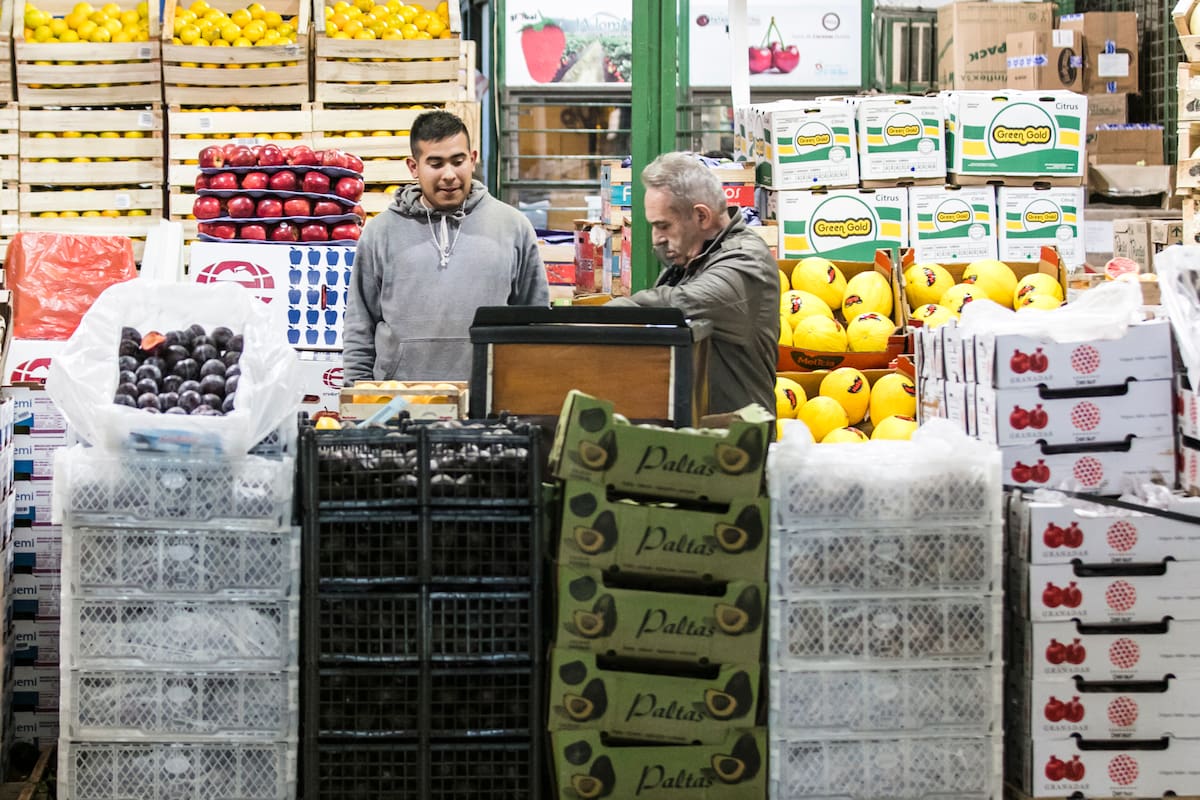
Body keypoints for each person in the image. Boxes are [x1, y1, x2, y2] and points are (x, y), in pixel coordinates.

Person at [343, 110, 549, 383]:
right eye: (436, 163)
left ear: (472, 159)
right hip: (396, 403)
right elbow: (360, 324)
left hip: (489, 402)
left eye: (458, 161)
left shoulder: (513, 227)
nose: (449, 174)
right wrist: (357, 394)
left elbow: (534, 322)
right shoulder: (380, 233)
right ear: (413, 167)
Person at [607, 152, 779, 414]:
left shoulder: (746, 261)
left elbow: (680, 303)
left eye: (664, 226)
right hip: (696, 441)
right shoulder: (693, 257)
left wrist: (597, 316)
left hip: (736, 446)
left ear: (701, 216)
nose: (657, 239)